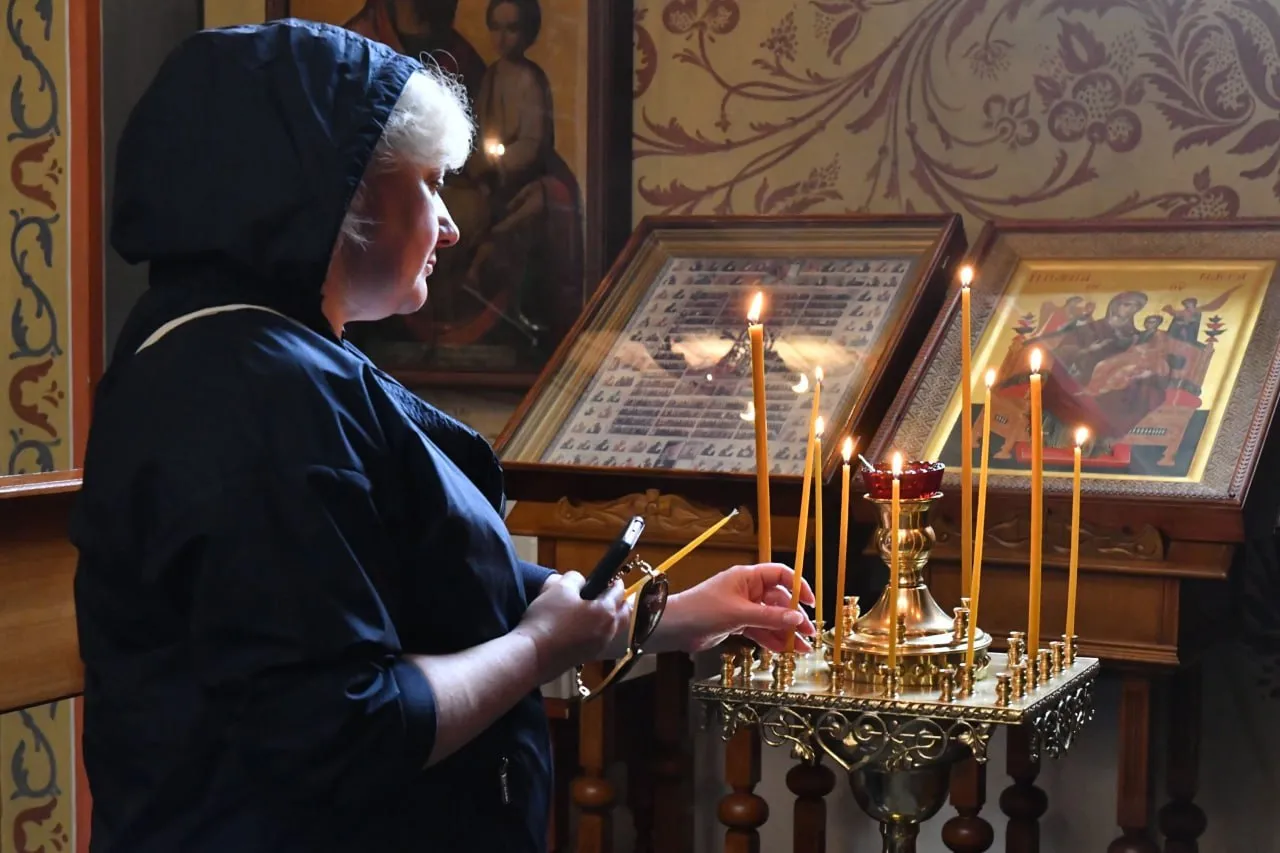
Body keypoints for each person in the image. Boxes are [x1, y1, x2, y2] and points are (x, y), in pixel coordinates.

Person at [71, 20, 814, 853]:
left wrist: (665, 614)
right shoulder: (250, 393)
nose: (453, 227)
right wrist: (542, 646)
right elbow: (347, 728)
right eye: (429, 185)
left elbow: (414, 571)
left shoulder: (265, 354)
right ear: (337, 196)